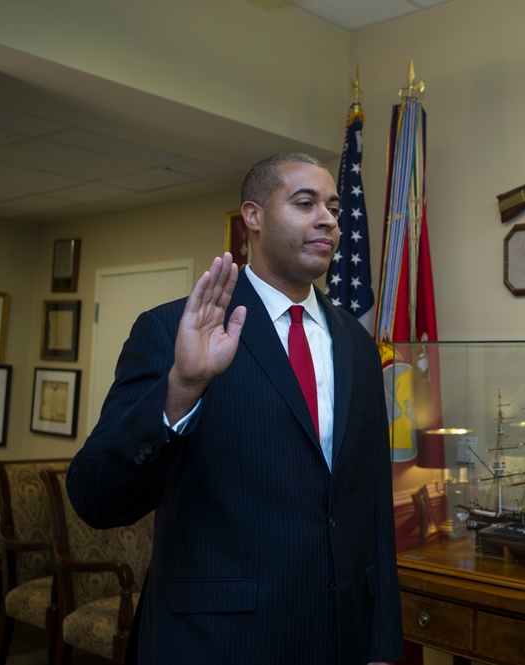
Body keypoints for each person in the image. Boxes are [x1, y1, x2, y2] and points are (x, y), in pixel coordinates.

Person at [67, 153, 403, 664]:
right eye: (305, 202)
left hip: (338, 638)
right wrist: (182, 388)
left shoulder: (357, 343)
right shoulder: (170, 330)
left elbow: (371, 500)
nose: (329, 219)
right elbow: (96, 497)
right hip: (216, 641)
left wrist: (380, 644)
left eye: (333, 207)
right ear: (253, 216)